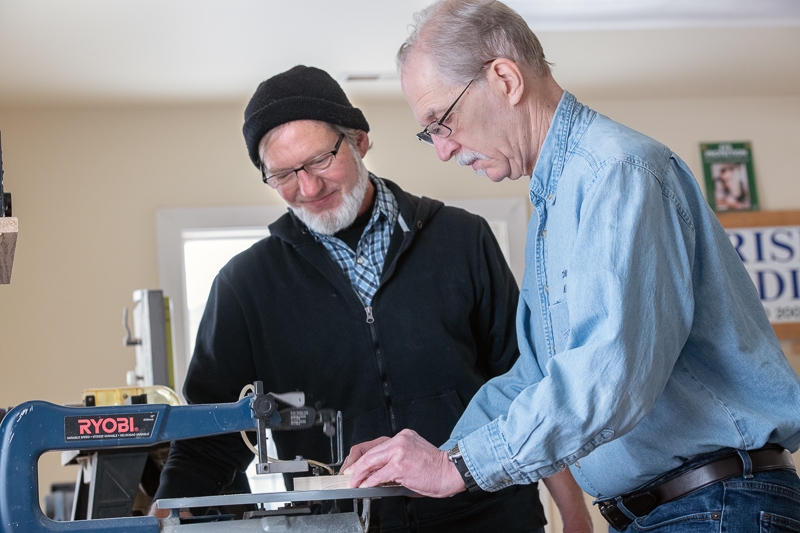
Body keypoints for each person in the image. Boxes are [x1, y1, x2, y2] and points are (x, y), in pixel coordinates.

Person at [342, 1, 800, 531]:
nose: (443, 150)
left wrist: (459, 466)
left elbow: (610, 374)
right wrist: (427, 458)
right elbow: (535, 377)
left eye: (440, 122)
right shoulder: (553, 205)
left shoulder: (618, 173)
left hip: (713, 506)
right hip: (667, 512)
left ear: (505, 79)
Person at [152, 65, 592, 532]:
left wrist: (572, 511)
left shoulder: (463, 240)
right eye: (282, 174)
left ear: (359, 141)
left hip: (491, 517)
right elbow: (209, 439)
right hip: (342, 526)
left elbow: (525, 385)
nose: (308, 188)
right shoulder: (244, 286)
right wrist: (157, 521)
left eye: (320, 160)